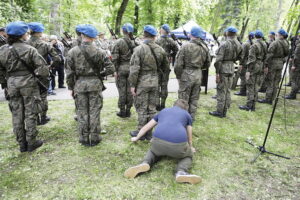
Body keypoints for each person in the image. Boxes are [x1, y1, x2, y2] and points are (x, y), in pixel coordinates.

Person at [124, 99, 201, 184]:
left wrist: (136, 138)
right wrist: (190, 147)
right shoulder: (187, 115)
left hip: (157, 143)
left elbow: (147, 127)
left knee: (153, 151)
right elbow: (189, 133)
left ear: (173, 105)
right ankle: (181, 171)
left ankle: (145, 163)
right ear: (186, 108)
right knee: (188, 156)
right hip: (177, 147)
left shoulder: (163, 111)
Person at [0, 21, 49, 152]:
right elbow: (43, 69)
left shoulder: (2, 50)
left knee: (16, 113)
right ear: (22, 35)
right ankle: (31, 141)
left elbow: (0, 70)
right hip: (28, 82)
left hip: (11, 83)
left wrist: (5, 83)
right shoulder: (30, 49)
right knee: (30, 112)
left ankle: (22, 143)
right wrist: (37, 77)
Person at [66, 24, 114, 146]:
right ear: (94, 37)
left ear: (82, 35)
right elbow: (111, 68)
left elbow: (69, 73)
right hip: (95, 84)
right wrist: (99, 75)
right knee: (94, 111)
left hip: (80, 85)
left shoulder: (72, 52)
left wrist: (71, 87)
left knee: (82, 111)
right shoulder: (100, 51)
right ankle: (95, 137)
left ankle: (84, 138)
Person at [129, 25, 169, 140]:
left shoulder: (139, 49)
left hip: (142, 82)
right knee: (152, 107)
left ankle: (141, 131)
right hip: (154, 81)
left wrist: (132, 85)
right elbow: (165, 68)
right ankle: (149, 132)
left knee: (141, 106)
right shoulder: (160, 50)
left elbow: (134, 69)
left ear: (144, 35)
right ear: (154, 36)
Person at [27, 22, 61, 125]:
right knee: (43, 95)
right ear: (40, 32)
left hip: (28, 73)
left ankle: (34, 117)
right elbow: (57, 58)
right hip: (42, 73)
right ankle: (43, 116)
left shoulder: (25, 44)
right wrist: (50, 67)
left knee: (31, 96)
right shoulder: (45, 45)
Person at [174, 25, 211, 120]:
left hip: (187, 74)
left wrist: (178, 76)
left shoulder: (186, 46)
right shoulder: (204, 47)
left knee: (183, 98)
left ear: (191, 34)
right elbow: (208, 63)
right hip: (198, 74)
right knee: (194, 98)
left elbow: (178, 64)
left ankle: (181, 118)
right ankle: (191, 117)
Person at [209, 26, 243, 118]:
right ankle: (226, 108)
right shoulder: (239, 44)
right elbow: (241, 57)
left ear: (227, 33)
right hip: (231, 68)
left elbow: (218, 61)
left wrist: (217, 73)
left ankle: (220, 111)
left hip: (223, 68)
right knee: (228, 89)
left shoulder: (224, 44)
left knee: (221, 90)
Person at [112, 23, 137, 118]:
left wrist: (115, 70)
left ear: (123, 31)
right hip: (131, 69)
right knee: (130, 90)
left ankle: (122, 111)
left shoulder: (118, 42)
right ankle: (128, 110)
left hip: (121, 69)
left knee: (122, 90)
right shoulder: (134, 42)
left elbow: (115, 58)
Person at [258, 29, 289, 105]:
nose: (276, 35)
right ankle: (273, 98)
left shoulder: (275, 43)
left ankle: (268, 98)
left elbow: (269, 54)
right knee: (276, 82)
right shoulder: (286, 43)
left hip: (273, 63)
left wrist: (265, 64)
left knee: (270, 81)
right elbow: (287, 54)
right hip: (280, 63)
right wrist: (282, 60)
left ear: (279, 35)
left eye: (277, 34)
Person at [239, 30, 268, 111]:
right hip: (261, 65)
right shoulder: (265, 44)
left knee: (250, 85)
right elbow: (266, 56)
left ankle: (249, 105)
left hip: (254, 66)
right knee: (256, 85)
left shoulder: (254, 46)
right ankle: (253, 104)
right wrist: (265, 66)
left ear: (255, 36)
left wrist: (248, 70)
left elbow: (251, 59)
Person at [155, 24, 178, 110]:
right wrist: (170, 55)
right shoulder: (171, 41)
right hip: (166, 65)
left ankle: (157, 104)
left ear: (162, 30)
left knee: (157, 84)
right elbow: (177, 50)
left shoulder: (157, 40)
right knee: (164, 85)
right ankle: (163, 104)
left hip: (157, 65)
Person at [234, 32, 254, 96]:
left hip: (245, 63)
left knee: (243, 77)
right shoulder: (253, 44)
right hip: (251, 63)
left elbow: (242, 54)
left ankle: (242, 91)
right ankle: (245, 90)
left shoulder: (246, 44)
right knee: (247, 77)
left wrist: (241, 63)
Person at [284, 33, 300, 99]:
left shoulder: (299, 45)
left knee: (294, 79)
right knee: (298, 79)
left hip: (297, 65)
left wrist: (294, 65)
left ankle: (292, 94)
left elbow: (296, 56)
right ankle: (295, 91)